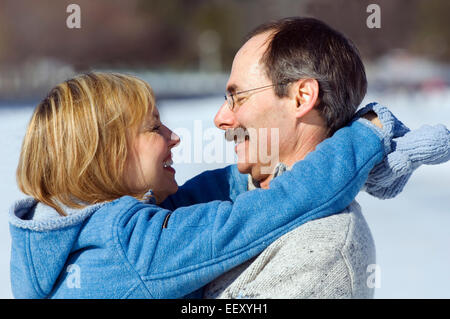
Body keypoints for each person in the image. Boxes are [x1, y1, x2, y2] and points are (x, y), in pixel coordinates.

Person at [9, 72, 390, 299]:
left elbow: (187, 206)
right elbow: (261, 216)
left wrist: (260, 169)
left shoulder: (69, 235)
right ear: (105, 153)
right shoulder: (130, 244)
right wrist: (365, 138)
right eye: (154, 127)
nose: (173, 137)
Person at [200, 17, 450, 298]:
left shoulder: (324, 253)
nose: (220, 118)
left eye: (239, 97)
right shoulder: (222, 196)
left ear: (301, 97)